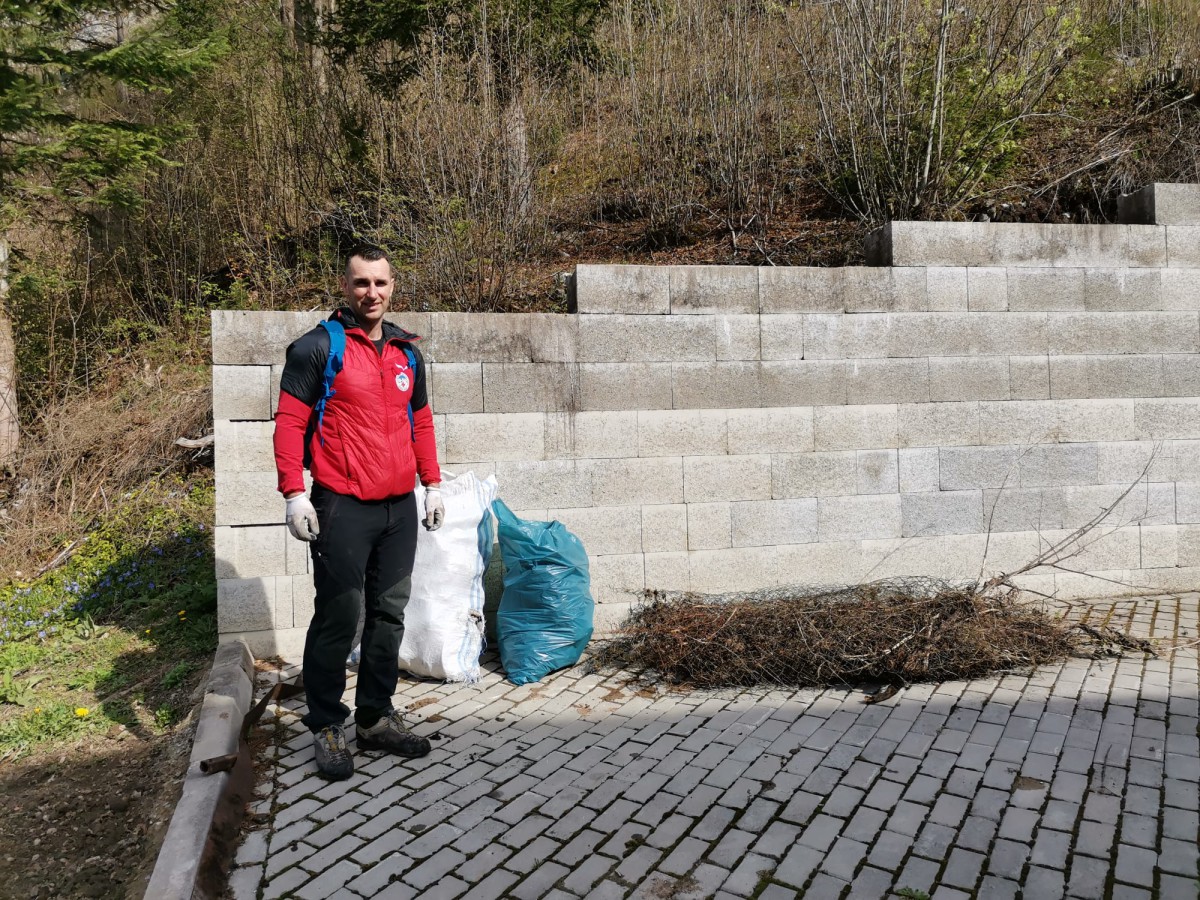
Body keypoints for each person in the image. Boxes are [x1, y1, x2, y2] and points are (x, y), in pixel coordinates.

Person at [272, 246, 445, 781]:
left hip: (398, 509)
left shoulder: (406, 352)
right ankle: (327, 723)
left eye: (380, 283)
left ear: (393, 286)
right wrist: (293, 493)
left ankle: (373, 717)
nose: (372, 293)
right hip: (342, 505)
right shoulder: (318, 347)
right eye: (361, 283)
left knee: (389, 615)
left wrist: (432, 484)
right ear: (345, 287)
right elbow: (289, 423)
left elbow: (421, 422)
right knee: (339, 617)